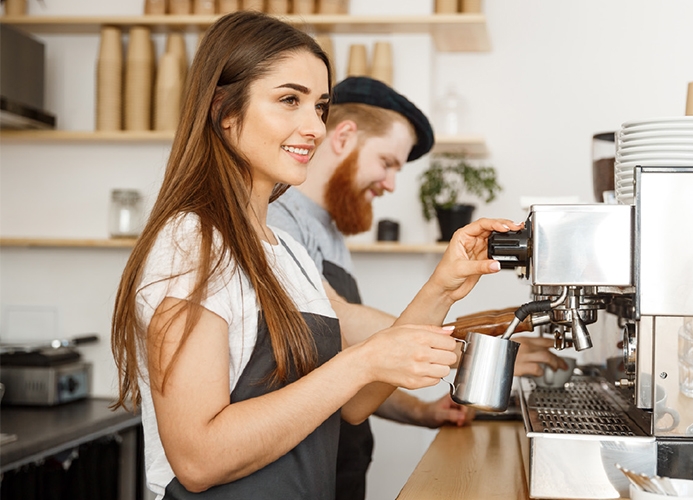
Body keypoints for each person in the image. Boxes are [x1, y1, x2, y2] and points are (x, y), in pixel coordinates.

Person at [110, 11, 523, 500]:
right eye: (290, 100)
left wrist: (443, 286)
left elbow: (352, 405)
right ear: (224, 108)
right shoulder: (192, 244)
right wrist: (362, 362)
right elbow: (199, 459)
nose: (315, 128)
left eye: (320, 107)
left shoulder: (285, 252)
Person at [267, 76, 567, 499]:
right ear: (345, 136)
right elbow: (343, 323)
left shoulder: (327, 229)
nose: (390, 184)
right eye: (388, 162)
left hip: (337, 466)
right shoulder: (277, 219)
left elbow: (347, 366)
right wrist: (472, 354)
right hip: (294, 470)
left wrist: (422, 412)